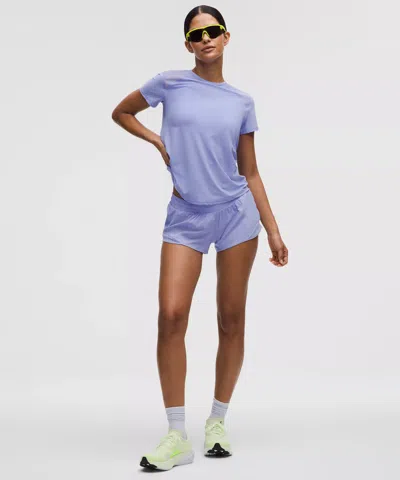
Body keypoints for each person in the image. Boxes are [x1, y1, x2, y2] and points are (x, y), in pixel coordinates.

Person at [112, 4, 288, 472]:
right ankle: (176, 436)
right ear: (188, 44)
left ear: (226, 37)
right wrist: (155, 140)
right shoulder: (169, 83)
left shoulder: (241, 102)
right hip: (185, 214)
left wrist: (273, 229)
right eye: (197, 34)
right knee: (171, 315)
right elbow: (121, 112)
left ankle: (217, 422)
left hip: (236, 215)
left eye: (213, 31)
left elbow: (250, 171)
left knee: (231, 319)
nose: (206, 38)